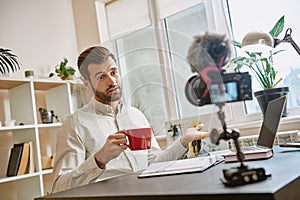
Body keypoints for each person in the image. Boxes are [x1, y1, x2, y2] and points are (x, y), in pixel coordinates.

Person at [52, 46, 210, 193]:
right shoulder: (74, 124)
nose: (112, 82)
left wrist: (183, 141)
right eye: (101, 77)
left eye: (113, 72)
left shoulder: (136, 115)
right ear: (87, 83)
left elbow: (154, 162)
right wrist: (100, 159)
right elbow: (59, 187)